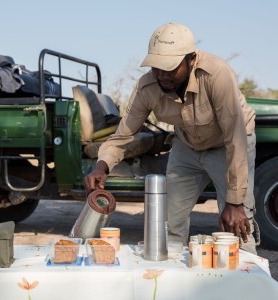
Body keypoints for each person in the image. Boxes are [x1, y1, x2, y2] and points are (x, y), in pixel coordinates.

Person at [83, 22, 258, 254]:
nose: (162, 75)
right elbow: (123, 135)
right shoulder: (147, 87)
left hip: (229, 145)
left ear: (191, 59)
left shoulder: (216, 74)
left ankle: (246, 283)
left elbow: (235, 139)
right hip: (186, 146)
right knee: (167, 227)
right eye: (156, 67)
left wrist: (235, 202)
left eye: (170, 68)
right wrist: (101, 167)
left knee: (236, 225)